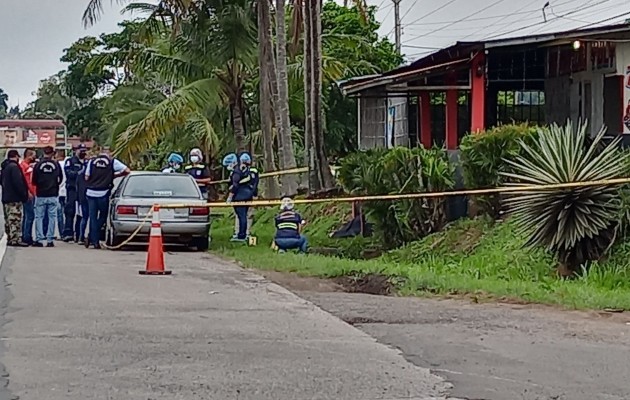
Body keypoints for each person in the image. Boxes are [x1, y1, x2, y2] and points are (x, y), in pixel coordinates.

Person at [84, 148, 130, 249]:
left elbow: (86, 177)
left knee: (92, 217)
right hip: (103, 193)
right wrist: (113, 175)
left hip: (91, 193)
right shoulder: (112, 162)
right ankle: (92, 237)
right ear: (109, 154)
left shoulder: (91, 162)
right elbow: (127, 171)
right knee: (103, 216)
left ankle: (94, 240)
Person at [32, 146, 62, 248]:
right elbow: (60, 178)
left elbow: (34, 180)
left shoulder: (38, 165)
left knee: (39, 217)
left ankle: (39, 239)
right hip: (53, 193)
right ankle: (50, 239)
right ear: (52, 153)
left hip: (41, 193)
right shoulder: (56, 165)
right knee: (52, 217)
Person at [1, 150, 30, 247]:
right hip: (14, 197)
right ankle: (15, 239)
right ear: (16, 156)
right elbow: (18, 183)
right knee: (15, 218)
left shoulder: (4, 167)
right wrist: (24, 195)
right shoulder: (14, 167)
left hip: (6, 197)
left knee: (8, 219)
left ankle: (10, 237)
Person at [226, 153, 256, 242]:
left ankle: (241, 235)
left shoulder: (236, 172)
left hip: (239, 197)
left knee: (241, 216)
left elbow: (235, 185)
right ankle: (243, 234)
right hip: (248, 195)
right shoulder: (247, 170)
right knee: (244, 216)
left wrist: (230, 196)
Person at [62, 144, 87, 242]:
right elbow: (69, 173)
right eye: (81, 150)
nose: (83, 152)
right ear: (76, 151)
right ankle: (68, 233)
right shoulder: (70, 161)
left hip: (82, 191)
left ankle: (79, 234)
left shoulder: (87, 162)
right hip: (72, 189)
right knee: (70, 211)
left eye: (84, 150)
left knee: (81, 213)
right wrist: (79, 173)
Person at [19, 149, 37, 245]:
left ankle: (26, 235)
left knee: (28, 215)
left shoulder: (26, 166)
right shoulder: (24, 166)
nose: (34, 158)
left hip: (31, 192)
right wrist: (28, 192)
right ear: (29, 156)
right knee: (29, 215)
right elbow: (25, 181)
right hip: (29, 193)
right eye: (33, 155)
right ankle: (27, 236)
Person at [76, 154, 91, 245]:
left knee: (84, 217)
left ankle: (81, 237)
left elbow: (77, 186)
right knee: (90, 217)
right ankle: (88, 237)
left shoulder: (80, 172)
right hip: (90, 196)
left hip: (82, 197)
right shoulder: (92, 172)